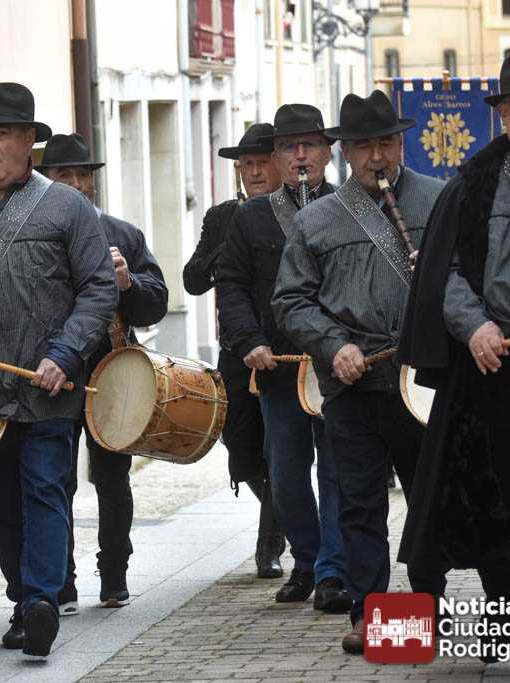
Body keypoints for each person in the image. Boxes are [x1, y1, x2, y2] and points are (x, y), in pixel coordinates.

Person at [398, 50, 510, 681]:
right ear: (504, 116)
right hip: (494, 369)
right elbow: (442, 272)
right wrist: (473, 325)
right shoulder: (473, 187)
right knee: (488, 502)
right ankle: (500, 604)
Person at [0, 82, 117, 657]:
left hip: (49, 384)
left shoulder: (66, 206)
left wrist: (64, 354)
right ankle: (23, 602)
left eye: (2, 135)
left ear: (28, 142)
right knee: (3, 501)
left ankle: (42, 600)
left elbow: (98, 288)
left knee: (45, 489)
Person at [272, 90, 447, 654]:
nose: (377, 157)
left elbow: (469, 279)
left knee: (428, 498)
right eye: (364, 146)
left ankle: (429, 608)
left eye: (385, 143)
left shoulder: (438, 201)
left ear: (400, 143)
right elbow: (291, 300)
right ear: (345, 152)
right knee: (360, 503)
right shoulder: (317, 219)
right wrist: (333, 344)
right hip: (352, 383)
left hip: (423, 381)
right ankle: (370, 614)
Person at [215, 106, 349, 613]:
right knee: (286, 473)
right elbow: (231, 284)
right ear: (275, 157)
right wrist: (249, 340)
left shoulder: (351, 207)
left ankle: (333, 572)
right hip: (278, 367)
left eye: (310, 145)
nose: (300, 156)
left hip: (337, 365)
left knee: (338, 472)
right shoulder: (251, 217)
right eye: (290, 147)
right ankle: (307, 559)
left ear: (327, 152)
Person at [37, 133, 169, 614]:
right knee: (56, 481)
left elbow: (156, 303)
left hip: (113, 370)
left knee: (113, 479)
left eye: (82, 175)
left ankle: (115, 574)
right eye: (63, 175)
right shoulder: (36, 233)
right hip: (55, 372)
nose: (75, 184)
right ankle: (62, 582)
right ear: (47, 181)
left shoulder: (123, 234)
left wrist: (128, 283)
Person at [183, 123, 286, 580]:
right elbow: (192, 280)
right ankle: (287, 513)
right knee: (241, 452)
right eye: (246, 165)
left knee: (279, 447)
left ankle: (271, 542)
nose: (254, 172)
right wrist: (230, 245)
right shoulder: (222, 216)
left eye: (262, 163)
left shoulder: (295, 212)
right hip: (235, 351)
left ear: (279, 163)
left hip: (283, 351)